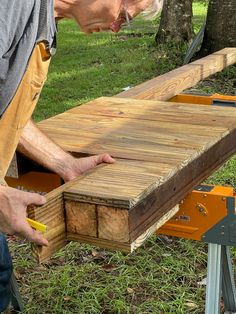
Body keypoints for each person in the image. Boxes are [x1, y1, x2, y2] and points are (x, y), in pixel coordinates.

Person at [0, 0, 163, 310]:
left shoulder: (43, 23)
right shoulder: (13, 7)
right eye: (124, 16)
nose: (117, 28)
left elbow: (10, 112)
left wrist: (65, 164)